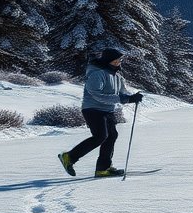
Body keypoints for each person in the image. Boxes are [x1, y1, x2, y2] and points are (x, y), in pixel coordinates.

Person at [57, 48, 143, 178]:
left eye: (119, 60)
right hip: (92, 109)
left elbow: (123, 93)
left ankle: (103, 169)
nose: (118, 63)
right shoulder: (97, 74)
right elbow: (97, 95)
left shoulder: (117, 76)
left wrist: (133, 97)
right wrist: (125, 99)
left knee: (112, 135)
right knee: (100, 136)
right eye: (115, 61)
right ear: (107, 60)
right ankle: (69, 157)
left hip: (108, 110)